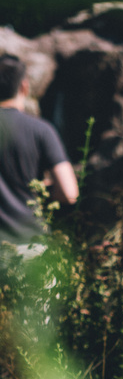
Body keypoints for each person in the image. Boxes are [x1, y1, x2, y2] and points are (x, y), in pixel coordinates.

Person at [0, 54, 78, 250]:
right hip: (29, 248)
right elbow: (69, 193)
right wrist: (40, 187)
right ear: (24, 87)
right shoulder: (41, 130)